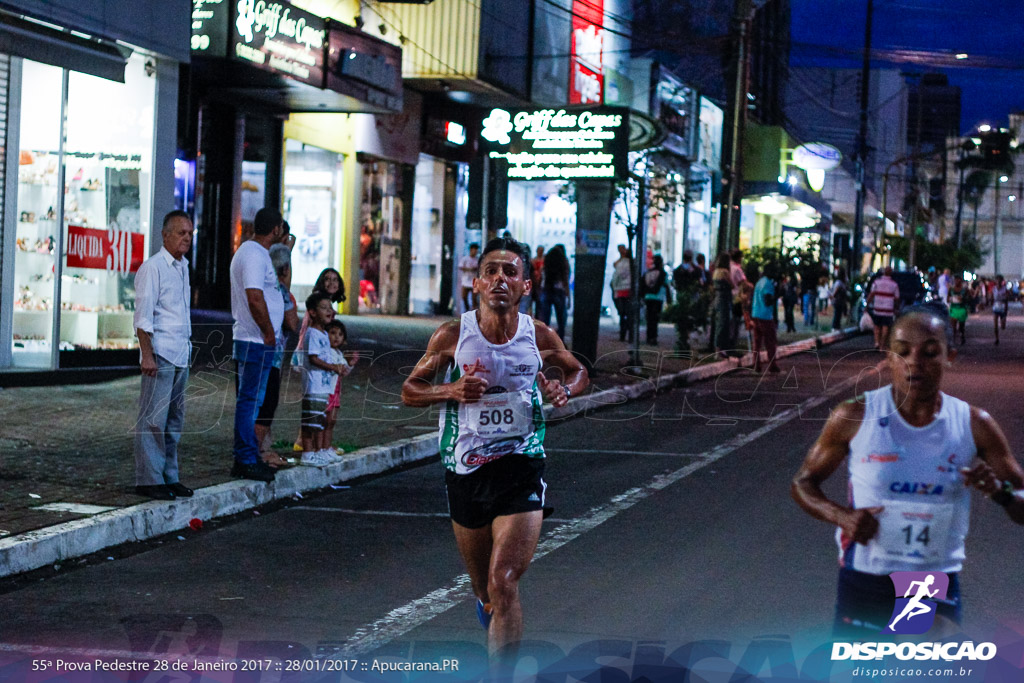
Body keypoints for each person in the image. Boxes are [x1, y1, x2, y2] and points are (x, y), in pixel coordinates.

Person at [400, 237, 588, 665]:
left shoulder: (537, 334)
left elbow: (579, 373)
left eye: (510, 272)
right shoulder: (453, 334)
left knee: (504, 581)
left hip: (521, 465)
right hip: (466, 470)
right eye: (491, 271)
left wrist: (564, 389)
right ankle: (489, 610)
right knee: (484, 589)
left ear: (525, 285)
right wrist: (451, 388)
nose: (500, 278)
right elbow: (410, 390)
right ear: (477, 284)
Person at [792, 304, 1024, 638]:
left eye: (930, 352)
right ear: (887, 357)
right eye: (902, 352)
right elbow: (803, 483)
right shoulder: (855, 416)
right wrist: (841, 516)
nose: (915, 362)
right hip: (867, 577)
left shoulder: (974, 424)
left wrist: (1000, 494)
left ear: (950, 357)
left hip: (929, 582)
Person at [132, 211, 195, 500]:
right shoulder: (153, 268)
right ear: (165, 234)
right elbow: (143, 317)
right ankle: (149, 478)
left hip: (181, 351)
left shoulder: (183, 268)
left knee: (174, 421)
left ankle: (169, 476)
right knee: (153, 419)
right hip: (161, 352)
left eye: (190, 233)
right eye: (181, 232)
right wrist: (147, 356)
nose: (187, 238)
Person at [230, 207, 285, 482]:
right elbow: (254, 297)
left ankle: (248, 455)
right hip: (255, 340)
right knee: (249, 401)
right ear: (275, 229)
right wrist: (268, 332)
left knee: (254, 400)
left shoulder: (256, 253)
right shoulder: (253, 254)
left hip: (257, 339)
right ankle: (245, 457)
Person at [253, 244, 299, 469]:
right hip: (270, 356)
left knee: (256, 405)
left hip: (255, 352)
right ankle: (255, 453)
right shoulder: (279, 291)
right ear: (284, 270)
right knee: (266, 405)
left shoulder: (258, 286)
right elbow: (292, 322)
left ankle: (258, 451)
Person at [297, 292, 346, 466]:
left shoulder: (324, 334)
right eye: (323, 308)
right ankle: (308, 453)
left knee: (318, 420)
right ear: (312, 312)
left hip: (323, 386)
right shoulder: (313, 334)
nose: (328, 311)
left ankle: (319, 450)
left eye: (330, 307)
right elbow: (313, 358)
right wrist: (333, 368)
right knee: (310, 421)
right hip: (313, 385)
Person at [322, 319, 356, 455]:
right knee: (323, 421)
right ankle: (320, 447)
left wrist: (351, 364)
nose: (337, 337)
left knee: (331, 421)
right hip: (326, 391)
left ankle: (327, 446)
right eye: (333, 333)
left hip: (335, 392)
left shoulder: (338, 353)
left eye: (340, 334)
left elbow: (344, 371)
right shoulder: (325, 352)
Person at [750, 264, 780, 373]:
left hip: (756, 313)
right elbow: (768, 300)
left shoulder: (759, 282)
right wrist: (776, 295)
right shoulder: (768, 284)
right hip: (765, 315)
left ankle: (756, 364)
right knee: (770, 341)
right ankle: (772, 364)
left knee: (757, 342)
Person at [539, 244, 571, 340]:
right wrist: (569, 298)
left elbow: (542, 279)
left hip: (546, 290)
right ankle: (560, 339)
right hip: (559, 291)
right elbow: (566, 281)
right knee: (561, 319)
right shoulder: (563, 265)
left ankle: (545, 339)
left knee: (545, 318)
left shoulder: (547, 264)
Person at [866, 266, 900, 350]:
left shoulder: (876, 282)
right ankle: (882, 344)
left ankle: (876, 342)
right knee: (885, 326)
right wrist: (896, 307)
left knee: (876, 326)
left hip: (877, 307)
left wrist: (867, 304)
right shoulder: (894, 284)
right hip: (888, 309)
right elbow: (897, 298)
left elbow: (871, 294)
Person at [641, 254, 673, 345]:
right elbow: (666, 286)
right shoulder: (663, 273)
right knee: (655, 318)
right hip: (658, 298)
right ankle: (653, 337)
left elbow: (643, 284)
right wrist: (669, 299)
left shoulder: (648, 272)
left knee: (649, 317)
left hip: (648, 297)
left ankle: (649, 337)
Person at [610, 244, 633, 342]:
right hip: (624, 289)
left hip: (622, 289)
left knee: (623, 313)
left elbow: (618, 273)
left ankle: (624, 333)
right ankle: (625, 333)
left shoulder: (626, 263)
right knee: (625, 313)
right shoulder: (627, 262)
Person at [711, 253, 733, 355]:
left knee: (718, 323)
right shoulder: (725, 272)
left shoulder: (716, 272)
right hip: (724, 298)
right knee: (723, 324)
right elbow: (731, 284)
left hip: (717, 298)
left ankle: (717, 348)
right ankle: (720, 349)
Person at [729, 249, 746, 344]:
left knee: (731, 322)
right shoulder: (737, 269)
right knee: (735, 322)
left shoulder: (729, 267)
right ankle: (732, 344)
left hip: (730, 296)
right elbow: (742, 283)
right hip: (736, 297)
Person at [459, 243, 480, 313]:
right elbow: (460, 267)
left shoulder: (478, 260)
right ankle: (467, 309)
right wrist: (469, 269)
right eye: (474, 250)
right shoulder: (465, 259)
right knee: (464, 296)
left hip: (474, 281)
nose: (475, 252)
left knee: (474, 298)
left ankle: (474, 312)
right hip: (466, 280)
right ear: (471, 250)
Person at [948, 275, 969, 345]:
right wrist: (952, 299)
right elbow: (947, 299)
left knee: (961, 326)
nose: (957, 281)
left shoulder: (965, 289)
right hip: (953, 309)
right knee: (953, 326)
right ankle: (952, 341)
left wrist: (963, 299)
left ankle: (962, 335)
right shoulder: (951, 289)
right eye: (955, 279)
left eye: (958, 279)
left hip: (962, 309)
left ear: (961, 280)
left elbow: (969, 298)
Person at [992, 275, 1009, 345]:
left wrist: (1006, 309)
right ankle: (996, 339)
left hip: (1002, 308)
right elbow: (992, 298)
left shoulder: (1005, 289)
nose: (998, 282)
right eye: (997, 280)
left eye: (999, 280)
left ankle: (1003, 323)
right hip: (995, 308)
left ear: (1002, 281)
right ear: (995, 281)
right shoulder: (994, 289)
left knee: (1003, 327)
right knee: (995, 325)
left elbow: (1007, 299)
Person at [530, 246, 545, 316]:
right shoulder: (533, 260)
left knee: (540, 303)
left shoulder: (544, 260)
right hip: (534, 283)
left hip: (541, 283)